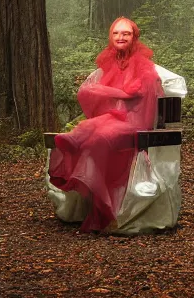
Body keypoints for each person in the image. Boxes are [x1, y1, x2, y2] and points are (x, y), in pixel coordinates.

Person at [48, 17, 163, 232]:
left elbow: (143, 101)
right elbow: (99, 99)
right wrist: (107, 93)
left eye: (126, 34)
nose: (120, 37)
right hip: (113, 117)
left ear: (134, 37)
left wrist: (119, 94)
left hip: (133, 121)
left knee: (98, 138)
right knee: (89, 131)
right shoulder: (108, 64)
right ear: (110, 37)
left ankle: (104, 208)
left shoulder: (144, 67)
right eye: (116, 33)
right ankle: (74, 143)